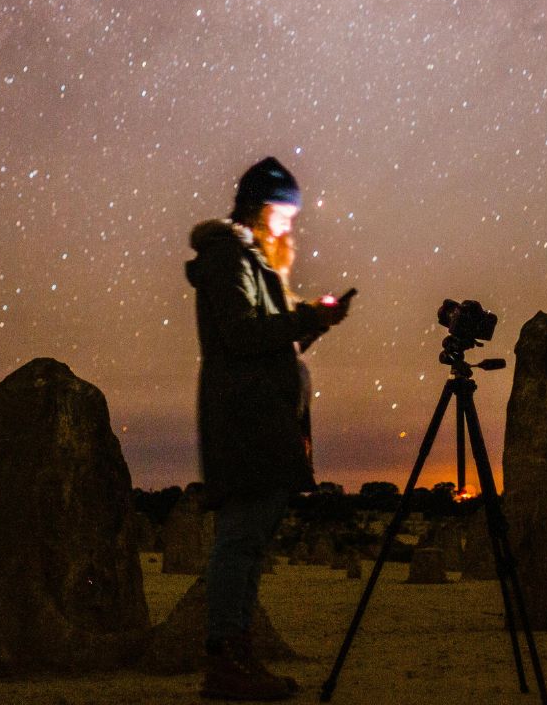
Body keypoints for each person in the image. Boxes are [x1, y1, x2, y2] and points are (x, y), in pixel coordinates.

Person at [186, 156, 350, 701]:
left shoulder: (254, 262)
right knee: (239, 539)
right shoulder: (226, 257)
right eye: (282, 213)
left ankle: (239, 656)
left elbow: (277, 341)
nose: (288, 225)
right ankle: (226, 661)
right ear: (258, 209)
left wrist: (316, 324)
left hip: (263, 420)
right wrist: (306, 318)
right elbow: (241, 335)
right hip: (246, 422)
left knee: (252, 541)